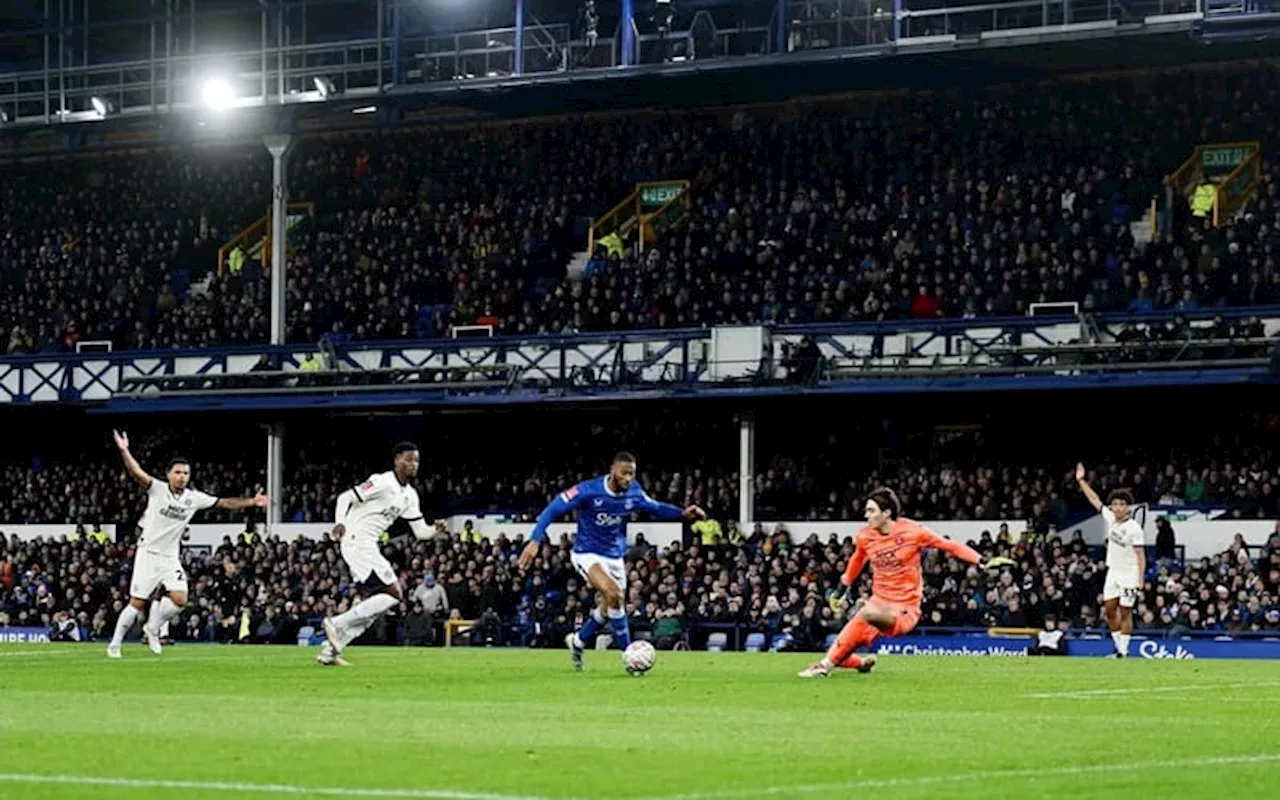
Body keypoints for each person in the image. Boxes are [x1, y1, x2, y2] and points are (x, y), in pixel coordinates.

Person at [516, 451, 705, 672]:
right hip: (587, 554)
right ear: (613, 471)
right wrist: (534, 540)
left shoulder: (633, 492)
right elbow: (554, 507)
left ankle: (577, 642)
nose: (628, 478)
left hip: (614, 557)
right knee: (613, 593)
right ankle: (630, 656)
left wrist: (682, 514)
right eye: (624, 473)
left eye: (632, 474)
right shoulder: (588, 490)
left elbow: (655, 507)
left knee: (609, 608)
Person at [798, 487, 991, 678]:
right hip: (879, 601)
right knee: (846, 641)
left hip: (905, 608)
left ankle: (824, 668)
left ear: (887, 512)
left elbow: (949, 545)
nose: (866, 515)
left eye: (871, 510)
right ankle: (857, 663)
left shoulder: (913, 531)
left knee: (863, 611)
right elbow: (857, 561)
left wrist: (981, 560)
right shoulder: (865, 536)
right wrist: (841, 589)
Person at [107, 430, 267, 659]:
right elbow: (136, 472)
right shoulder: (158, 489)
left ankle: (153, 628)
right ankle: (115, 643)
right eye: (178, 472)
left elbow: (223, 502)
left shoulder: (194, 498)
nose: (182, 476)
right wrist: (124, 450)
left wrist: (251, 501)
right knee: (137, 602)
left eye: (186, 473)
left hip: (170, 557)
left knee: (180, 600)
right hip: (148, 554)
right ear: (168, 475)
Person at [317, 442, 445, 666]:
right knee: (394, 594)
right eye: (408, 459)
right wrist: (339, 523)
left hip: (369, 545)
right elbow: (345, 498)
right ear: (396, 460)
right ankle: (336, 623)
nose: (413, 464)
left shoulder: (410, 496)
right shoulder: (382, 482)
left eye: (416, 460)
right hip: (356, 540)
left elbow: (421, 532)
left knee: (376, 606)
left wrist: (436, 530)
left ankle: (330, 652)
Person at [1076, 462, 1146, 658]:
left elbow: (1141, 555)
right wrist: (1081, 481)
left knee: (1125, 612)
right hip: (1113, 571)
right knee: (1109, 610)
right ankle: (1119, 649)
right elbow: (1094, 499)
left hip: (1129, 572)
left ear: (1127, 507)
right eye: (1115, 504)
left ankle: (1122, 651)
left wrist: (1140, 578)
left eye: (1121, 504)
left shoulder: (1134, 529)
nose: (1117, 507)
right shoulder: (1110, 518)